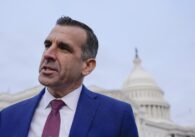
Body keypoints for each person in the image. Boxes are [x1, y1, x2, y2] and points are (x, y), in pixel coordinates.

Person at [0, 16, 139, 137]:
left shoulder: (118, 116)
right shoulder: (7, 117)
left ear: (87, 66)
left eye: (63, 48)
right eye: (47, 45)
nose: (48, 54)